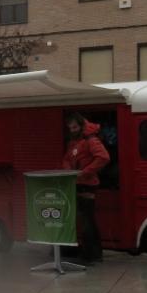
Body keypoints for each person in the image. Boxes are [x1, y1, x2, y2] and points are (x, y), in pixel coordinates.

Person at [62, 112, 110, 262]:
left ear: (81, 125)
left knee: (87, 220)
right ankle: (88, 252)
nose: (72, 130)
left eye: (75, 127)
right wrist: (69, 170)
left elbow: (103, 157)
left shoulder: (91, 140)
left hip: (87, 184)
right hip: (77, 183)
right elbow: (66, 159)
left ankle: (92, 254)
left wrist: (84, 172)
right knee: (84, 220)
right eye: (70, 128)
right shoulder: (74, 142)